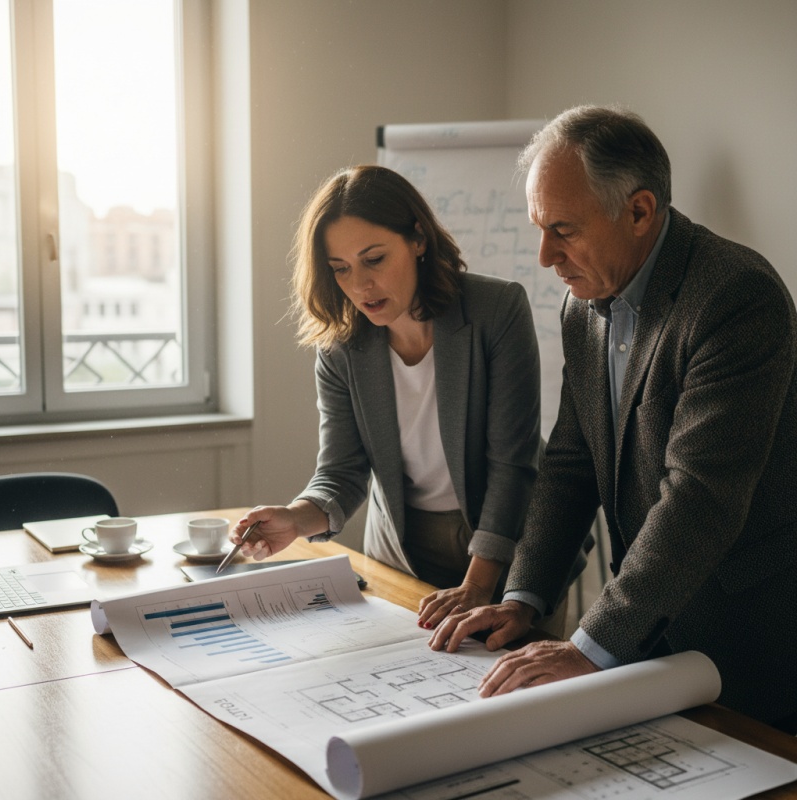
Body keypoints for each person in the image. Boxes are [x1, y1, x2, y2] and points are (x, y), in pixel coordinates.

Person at [429, 105, 797, 730]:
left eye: (564, 229)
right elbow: (570, 462)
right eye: (539, 228)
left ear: (639, 211)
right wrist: (523, 597)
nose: (546, 256)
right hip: (645, 628)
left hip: (748, 635)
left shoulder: (737, 295)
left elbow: (699, 498)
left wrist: (588, 645)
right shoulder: (584, 305)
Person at [231, 164, 547, 630]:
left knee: (514, 685)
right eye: (340, 269)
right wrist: (296, 520)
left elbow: (511, 464)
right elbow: (341, 471)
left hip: (506, 541)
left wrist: (478, 585)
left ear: (418, 239)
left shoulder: (496, 311)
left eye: (374, 259)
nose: (360, 286)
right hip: (402, 544)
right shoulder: (341, 348)